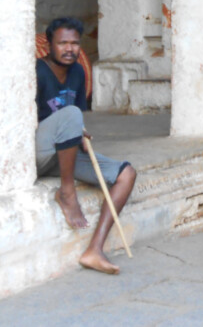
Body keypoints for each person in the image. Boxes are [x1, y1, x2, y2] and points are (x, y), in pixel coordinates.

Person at [36, 17, 137, 274]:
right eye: (62, 43)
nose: (69, 49)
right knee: (70, 114)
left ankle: (94, 249)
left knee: (126, 174)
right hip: (37, 153)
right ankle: (67, 192)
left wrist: (79, 133)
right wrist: (70, 123)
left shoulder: (79, 72)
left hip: (64, 155)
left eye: (74, 43)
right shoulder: (36, 71)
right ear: (49, 45)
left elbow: (75, 117)